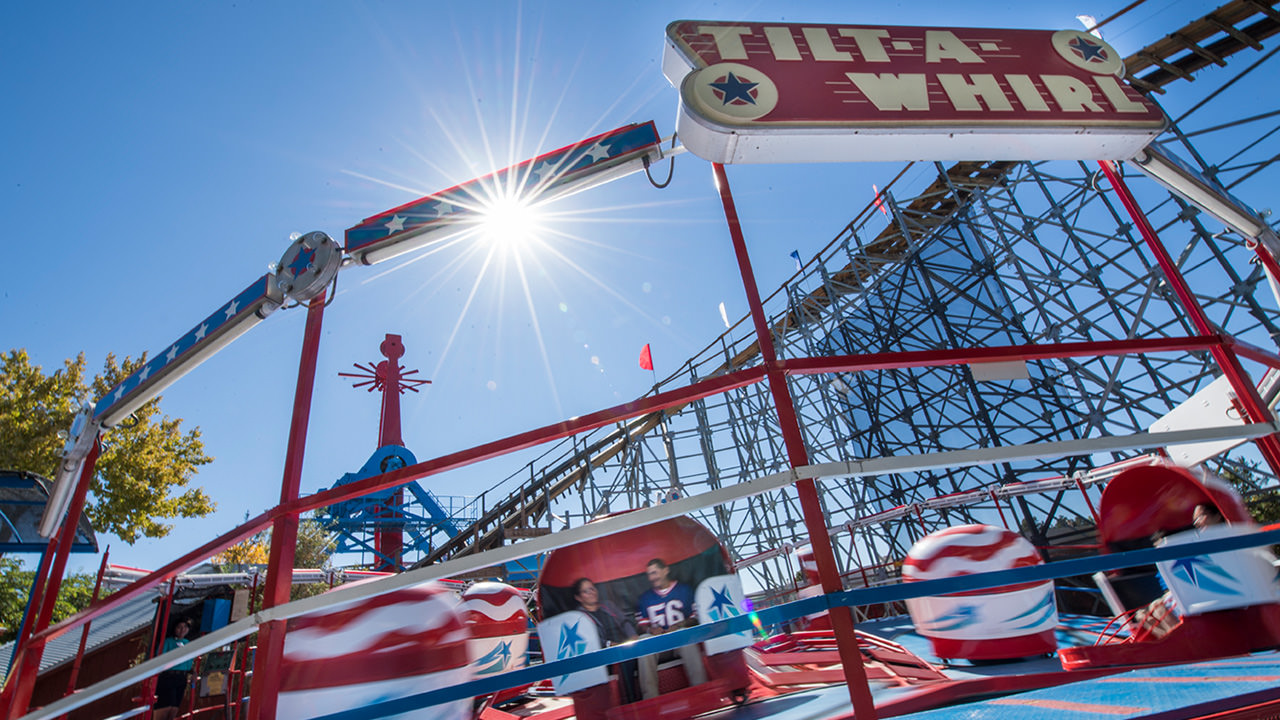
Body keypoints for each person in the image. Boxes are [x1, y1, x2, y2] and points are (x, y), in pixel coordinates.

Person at [634, 559, 707, 698]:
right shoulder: (645, 598)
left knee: (685, 636)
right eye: (649, 574)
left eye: (654, 572)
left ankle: (701, 690)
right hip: (658, 644)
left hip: (680, 639)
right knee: (644, 640)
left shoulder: (684, 590)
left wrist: (680, 625)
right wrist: (651, 630)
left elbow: (695, 617)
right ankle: (650, 698)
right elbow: (642, 626)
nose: (652, 578)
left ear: (665, 570)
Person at [572, 578, 641, 704]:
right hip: (603, 652)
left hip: (625, 645)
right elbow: (588, 639)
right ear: (579, 597)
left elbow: (625, 622)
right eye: (586, 591)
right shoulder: (579, 616)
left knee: (643, 647)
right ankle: (630, 702)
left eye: (592, 588)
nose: (591, 592)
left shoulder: (608, 605)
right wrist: (609, 645)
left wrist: (633, 635)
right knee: (624, 659)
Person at [153, 619, 194, 720]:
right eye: (179, 627)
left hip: (182, 677)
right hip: (168, 676)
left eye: (185, 627)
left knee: (174, 707)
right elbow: (160, 658)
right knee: (165, 706)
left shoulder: (187, 643)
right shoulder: (168, 642)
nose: (182, 630)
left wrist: (193, 672)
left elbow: (189, 662)